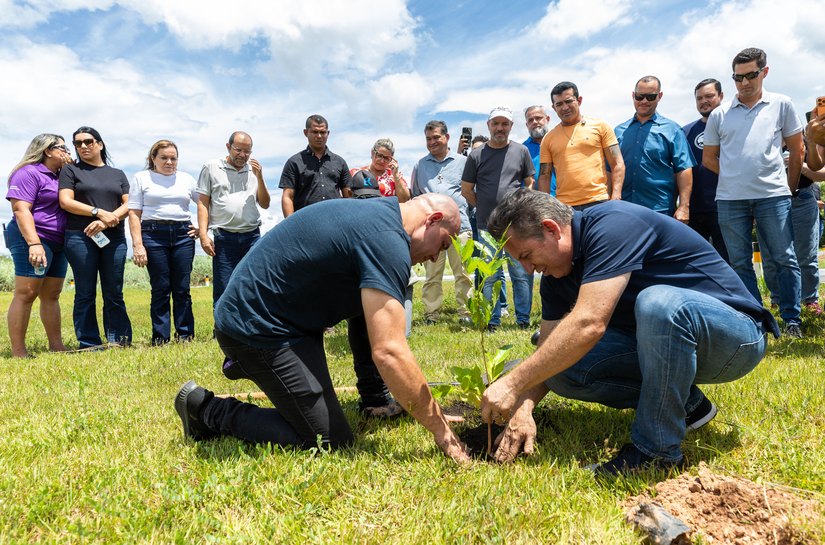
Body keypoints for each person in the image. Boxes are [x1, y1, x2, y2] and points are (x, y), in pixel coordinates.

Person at [479, 189, 777, 475]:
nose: (527, 269)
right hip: (669, 346)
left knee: (658, 303)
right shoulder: (556, 278)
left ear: (551, 229)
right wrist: (523, 408)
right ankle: (690, 405)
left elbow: (589, 323)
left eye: (527, 255)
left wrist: (511, 384)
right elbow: (547, 349)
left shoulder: (613, 225)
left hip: (736, 337)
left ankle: (655, 454)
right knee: (557, 361)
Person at [174, 193, 470, 464]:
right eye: (444, 244)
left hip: (292, 324)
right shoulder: (388, 241)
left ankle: (368, 398)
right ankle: (206, 410)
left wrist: (376, 398)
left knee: (321, 420)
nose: (436, 257)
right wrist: (441, 430)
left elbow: (367, 319)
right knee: (328, 440)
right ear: (432, 220)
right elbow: (389, 351)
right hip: (257, 328)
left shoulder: (383, 217)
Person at [703, 47, 804, 337]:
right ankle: (756, 319)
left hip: (773, 196)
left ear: (765, 72)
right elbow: (709, 158)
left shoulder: (782, 104)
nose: (744, 82)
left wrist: (789, 188)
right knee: (739, 263)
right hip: (730, 200)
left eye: (751, 75)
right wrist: (735, 175)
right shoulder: (719, 114)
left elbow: (797, 150)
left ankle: (792, 320)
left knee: (784, 258)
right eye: (738, 77)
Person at [461, 106, 535, 331]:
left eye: (504, 124)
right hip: (487, 227)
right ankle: (491, 321)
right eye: (496, 123)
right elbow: (466, 190)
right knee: (490, 275)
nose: (500, 128)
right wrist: (486, 209)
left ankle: (523, 320)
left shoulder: (521, 151)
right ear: (489, 126)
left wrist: (519, 207)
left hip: (516, 226)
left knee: (520, 273)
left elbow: (529, 182)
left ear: (511, 126)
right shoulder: (476, 155)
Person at [58, 126, 132, 348]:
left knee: (114, 291)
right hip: (79, 238)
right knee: (85, 292)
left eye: (88, 141)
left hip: (114, 238)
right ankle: (89, 342)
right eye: (78, 143)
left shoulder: (118, 174)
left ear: (100, 144)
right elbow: (66, 201)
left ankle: (119, 339)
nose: (83, 146)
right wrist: (97, 212)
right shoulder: (70, 171)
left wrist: (107, 220)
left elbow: (130, 204)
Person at [4, 134, 71, 358]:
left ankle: (56, 346)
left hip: (58, 241)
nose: (67, 152)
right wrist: (34, 243)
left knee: (52, 294)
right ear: (47, 150)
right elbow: (21, 209)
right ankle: (19, 352)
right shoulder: (28, 173)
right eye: (62, 148)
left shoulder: (62, 176)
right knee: (27, 292)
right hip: (33, 239)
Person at [128, 140, 199, 345]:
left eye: (173, 158)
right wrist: (138, 245)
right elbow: (134, 213)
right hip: (153, 234)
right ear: (153, 158)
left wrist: (202, 229)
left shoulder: (186, 179)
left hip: (183, 234)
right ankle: (161, 338)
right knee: (161, 288)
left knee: (182, 288)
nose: (169, 162)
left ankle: (185, 336)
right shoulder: (141, 178)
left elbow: (205, 204)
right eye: (164, 158)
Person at [196, 131, 271, 307]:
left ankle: (250, 323)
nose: (243, 155)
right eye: (238, 150)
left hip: (252, 236)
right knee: (224, 287)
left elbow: (265, 203)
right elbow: (202, 203)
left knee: (253, 285)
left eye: (247, 151)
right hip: (224, 237)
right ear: (228, 147)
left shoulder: (254, 170)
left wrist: (259, 177)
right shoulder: (211, 167)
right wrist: (203, 235)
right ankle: (223, 324)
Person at [410, 120, 472, 325]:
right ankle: (431, 315)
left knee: (463, 273)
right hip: (431, 232)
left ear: (447, 137)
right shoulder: (420, 165)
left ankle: (465, 313)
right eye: (428, 139)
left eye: (436, 137)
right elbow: (416, 196)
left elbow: (471, 190)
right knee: (432, 274)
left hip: (460, 227)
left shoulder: (463, 162)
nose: (432, 142)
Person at [615, 76, 695, 221]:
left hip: (659, 210)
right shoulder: (619, 131)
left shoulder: (673, 130)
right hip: (624, 210)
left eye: (650, 97)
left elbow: (683, 169)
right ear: (633, 95)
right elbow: (610, 169)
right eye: (640, 96)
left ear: (660, 96)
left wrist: (684, 206)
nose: (644, 101)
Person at [761, 138, 825, 315]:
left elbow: (821, 174)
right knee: (771, 257)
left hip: (801, 200)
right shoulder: (763, 139)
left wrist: (799, 164)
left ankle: (809, 299)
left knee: (806, 255)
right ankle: (778, 299)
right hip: (768, 201)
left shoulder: (806, 140)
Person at [539, 81, 625, 210]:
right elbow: (544, 176)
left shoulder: (601, 126)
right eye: (559, 104)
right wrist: (546, 208)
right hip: (565, 207)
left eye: (569, 101)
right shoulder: (548, 138)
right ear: (554, 107)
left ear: (579, 100)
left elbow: (617, 163)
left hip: (599, 201)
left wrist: (616, 196)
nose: (565, 108)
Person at [682, 79, 729, 262]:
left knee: (730, 261)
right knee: (696, 263)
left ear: (721, 96)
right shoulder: (686, 131)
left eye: (709, 96)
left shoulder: (732, 126)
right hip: (694, 210)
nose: (704, 101)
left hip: (726, 207)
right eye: (699, 98)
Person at [279, 114, 352, 217]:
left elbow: (348, 196)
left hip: (335, 220)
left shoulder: (340, 162)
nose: (319, 136)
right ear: (306, 132)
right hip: (305, 222)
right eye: (315, 132)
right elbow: (288, 196)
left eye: (322, 132)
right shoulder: (294, 162)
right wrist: (291, 223)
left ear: (328, 133)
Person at [523, 106, 556, 195]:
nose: (534, 122)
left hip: (565, 199)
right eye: (530, 120)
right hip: (535, 201)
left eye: (538, 118)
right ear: (527, 125)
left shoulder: (560, 143)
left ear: (547, 119)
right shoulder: (522, 150)